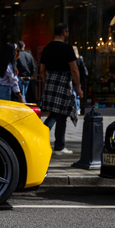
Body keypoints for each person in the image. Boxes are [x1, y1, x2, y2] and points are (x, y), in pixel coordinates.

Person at [39, 23, 83, 155]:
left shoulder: (47, 48)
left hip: (51, 82)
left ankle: (40, 138)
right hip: (64, 82)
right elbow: (74, 69)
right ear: (64, 33)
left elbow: (41, 70)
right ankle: (59, 146)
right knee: (62, 114)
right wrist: (78, 87)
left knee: (54, 114)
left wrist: (47, 82)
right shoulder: (67, 48)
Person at [73, 45, 87, 115]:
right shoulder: (80, 59)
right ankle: (77, 109)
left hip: (73, 79)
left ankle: (76, 109)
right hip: (79, 79)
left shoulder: (73, 60)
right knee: (77, 94)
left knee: (74, 94)